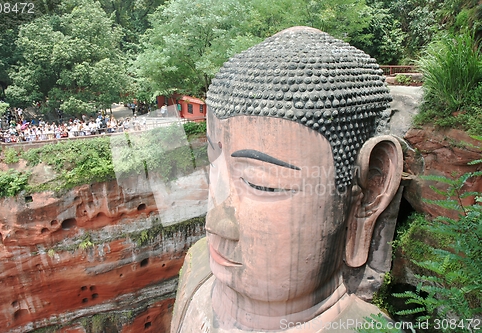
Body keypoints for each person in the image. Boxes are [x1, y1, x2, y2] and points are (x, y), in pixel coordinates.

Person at [171, 27, 403, 333]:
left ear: (371, 190)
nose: (214, 222)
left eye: (260, 183)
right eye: (214, 169)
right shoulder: (198, 265)